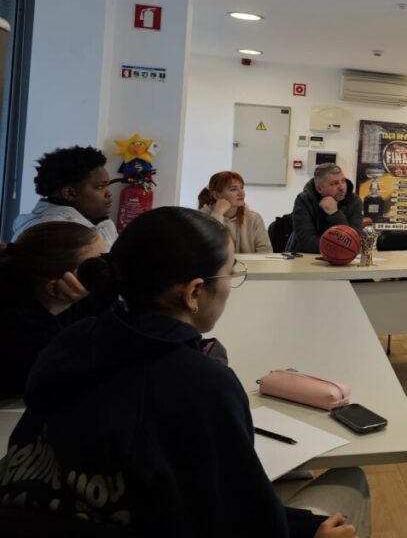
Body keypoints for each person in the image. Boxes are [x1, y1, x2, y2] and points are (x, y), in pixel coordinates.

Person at [0, 207, 362, 537]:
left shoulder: (73, 341)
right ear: (194, 293)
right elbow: (237, 520)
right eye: (230, 272)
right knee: (351, 482)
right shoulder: (199, 383)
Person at [0, 222, 107, 400]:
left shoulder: (31, 299)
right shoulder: (28, 337)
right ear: (54, 287)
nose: (105, 270)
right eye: (95, 267)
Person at [13, 144, 118, 249]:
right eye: (100, 187)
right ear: (69, 193)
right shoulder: (59, 234)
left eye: (106, 186)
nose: (108, 193)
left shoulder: (95, 222)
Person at [290, 163, 363, 253]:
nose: (341, 187)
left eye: (343, 181)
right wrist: (341, 247)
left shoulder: (354, 201)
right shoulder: (304, 200)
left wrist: (334, 213)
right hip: (308, 260)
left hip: (345, 260)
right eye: (334, 184)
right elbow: (307, 243)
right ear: (319, 189)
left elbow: (352, 240)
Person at [198, 170, 273, 253]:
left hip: (249, 266)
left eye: (242, 188)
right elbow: (206, 250)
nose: (241, 193)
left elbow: (266, 253)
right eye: (233, 189)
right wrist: (217, 214)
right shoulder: (201, 217)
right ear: (216, 195)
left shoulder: (254, 218)